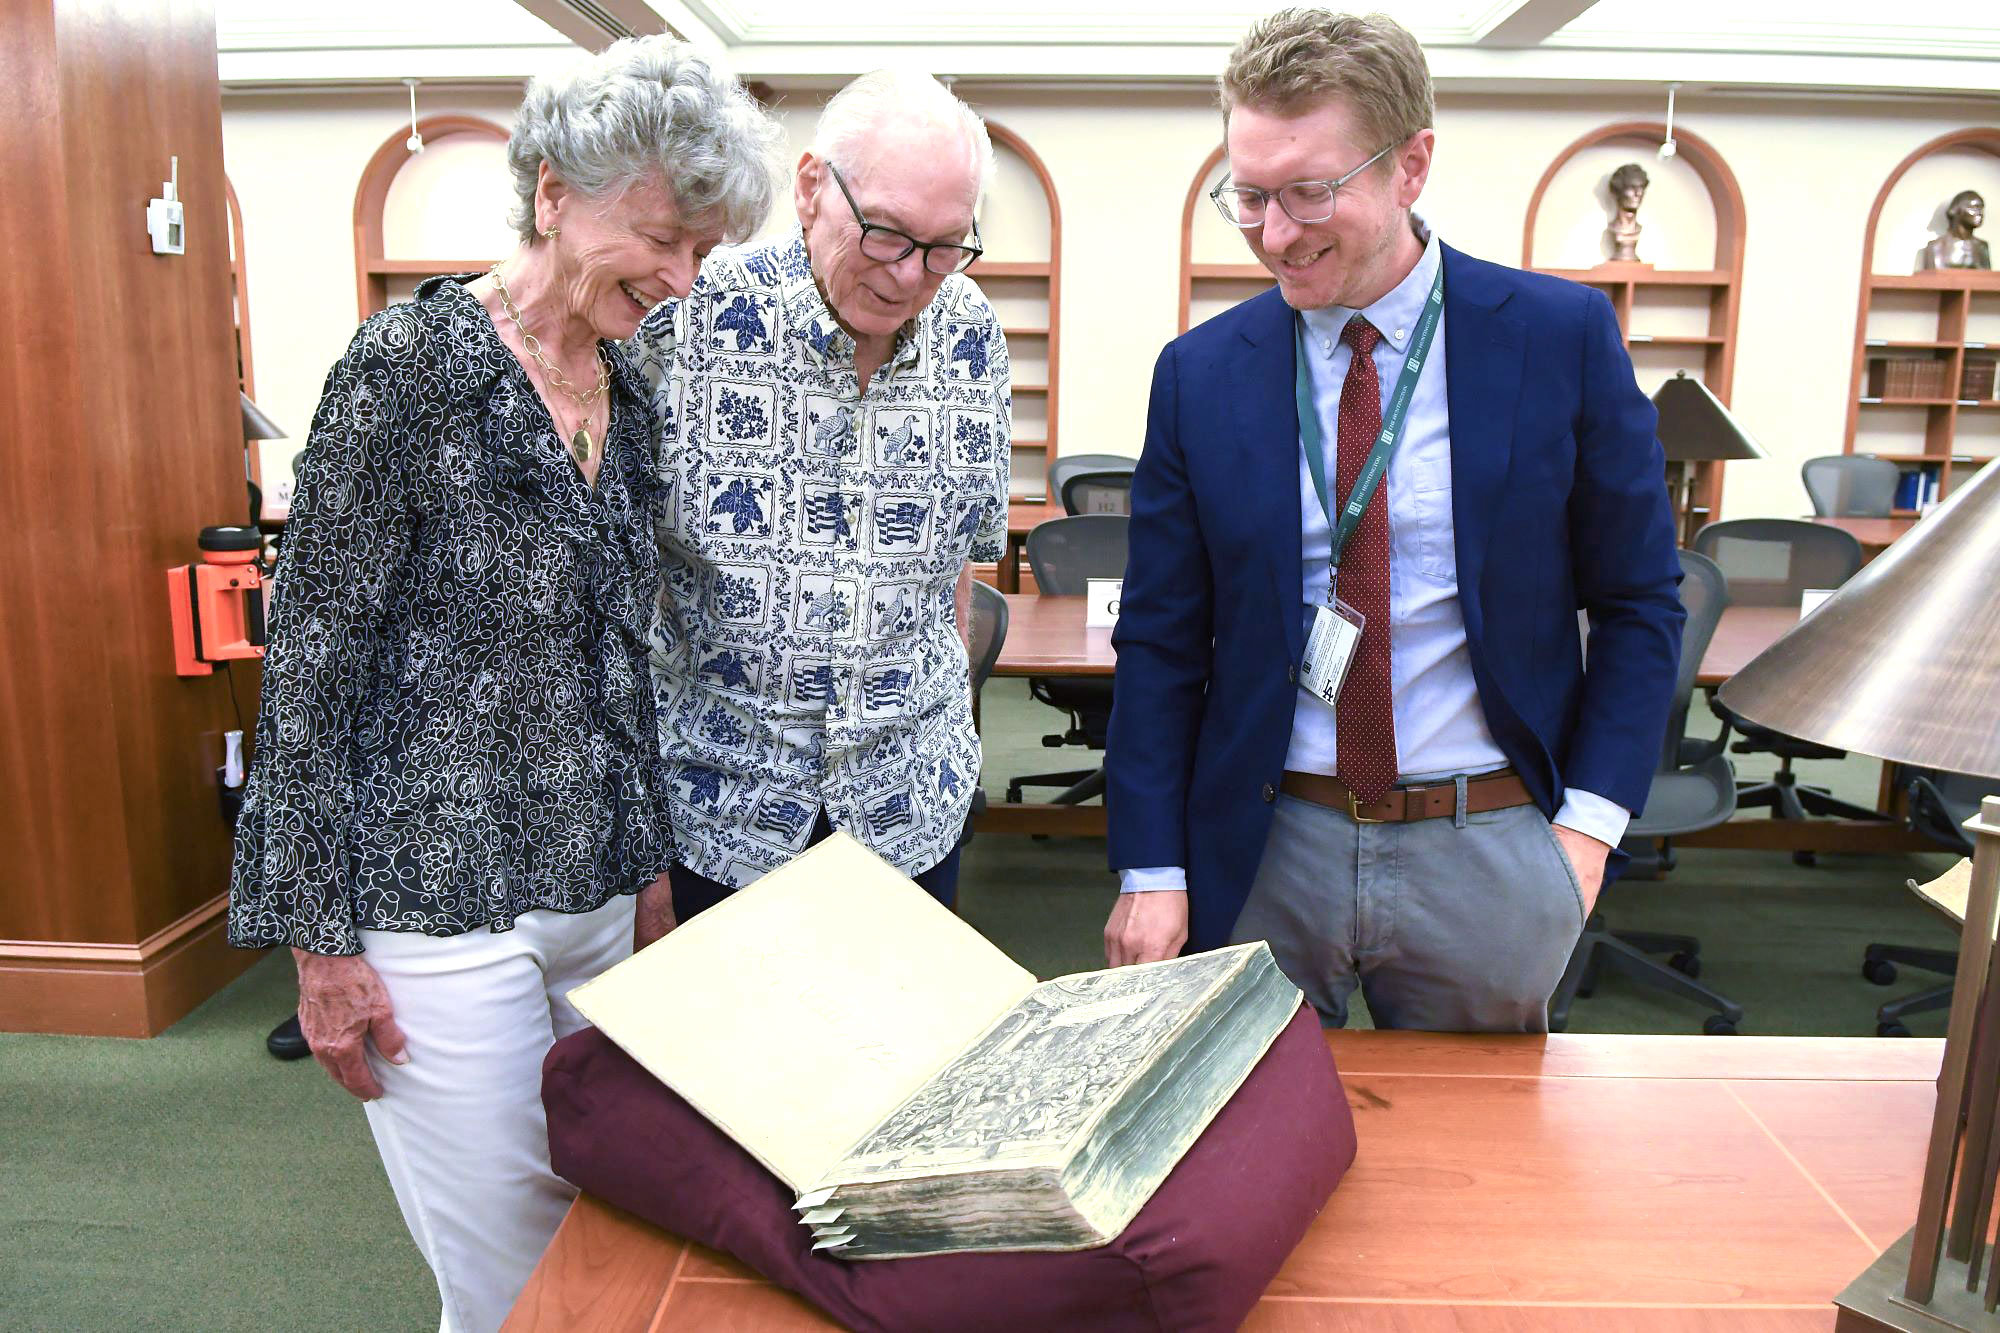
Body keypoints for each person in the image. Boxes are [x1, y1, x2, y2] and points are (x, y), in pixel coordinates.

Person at [227, 38, 779, 1332]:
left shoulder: (628, 393)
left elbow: (620, 659)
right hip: (436, 908)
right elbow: (309, 673)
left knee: (611, 1231)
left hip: (595, 888)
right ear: (549, 193)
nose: (681, 278)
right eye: (658, 237)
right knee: (522, 1280)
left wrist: (649, 874)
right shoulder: (404, 377)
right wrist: (318, 949)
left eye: (703, 252)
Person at [1102, 8, 1683, 1034]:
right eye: (1246, 195)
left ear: (1409, 165)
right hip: (1263, 840)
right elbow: (1157, 640)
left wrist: (1585, 833)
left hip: (1490, 837)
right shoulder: (1199, 373)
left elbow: (1637, 603)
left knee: (1478, 1164)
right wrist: (1151, 865)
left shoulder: (1558, 340)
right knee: (1245, 1149)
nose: (1274, 233)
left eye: (1309, 192)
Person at [628, 69, 1011, 923]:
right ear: (810, 190)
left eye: (946, 245)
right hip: (717, 813)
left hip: (908, 811)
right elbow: (617, 588)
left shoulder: (975, 336)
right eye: (885, 233)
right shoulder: (685, 323)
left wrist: (955, 750)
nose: (912, 274)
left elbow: (954, 572)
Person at [1922, 190, 1990, 271]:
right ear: (1956, 210)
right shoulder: (1936, 246)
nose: (1980, 213)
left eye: (1981, 208)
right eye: (1974, 207)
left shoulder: (1982, 247)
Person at [1607, 161, 1648, 262]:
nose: (1638, 193)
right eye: (1632, 187)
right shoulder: (1613, 228)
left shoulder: (1638, 228)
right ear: (1618, 191)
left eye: (1641, 188)